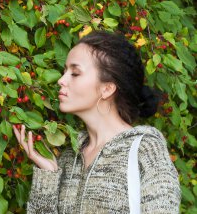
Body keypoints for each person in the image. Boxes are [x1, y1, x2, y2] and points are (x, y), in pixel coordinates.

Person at [13, 31, 180, 213]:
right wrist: (48, 175)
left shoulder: (145, 150)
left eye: (75, 73)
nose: (61, 80)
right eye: (64, 72)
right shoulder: (69, 158)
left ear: (107, 89)